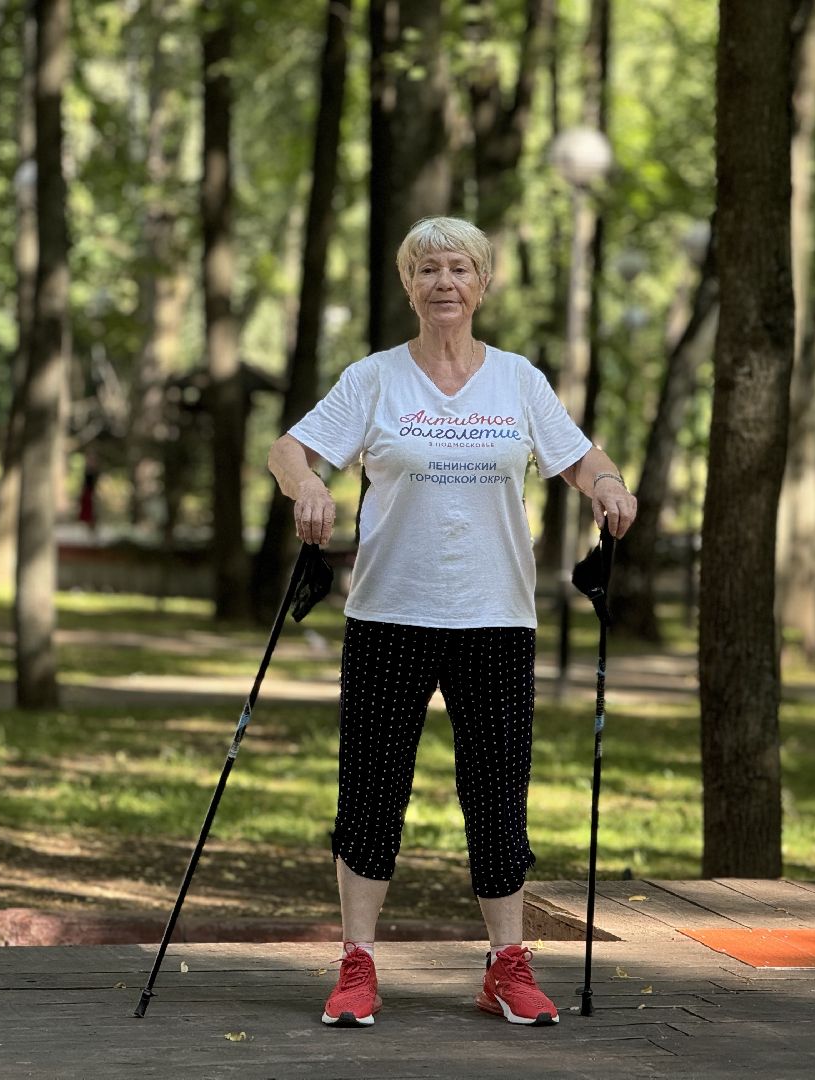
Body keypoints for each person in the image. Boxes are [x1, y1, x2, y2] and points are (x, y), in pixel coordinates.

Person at [267, 216, 637, 1028]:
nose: (444, 281)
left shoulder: (517, 380)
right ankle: (357, 964)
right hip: (389, 615)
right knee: (370, 794)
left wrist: (610, 485)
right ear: (409, 286)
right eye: (427, 268)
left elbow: (581, 458)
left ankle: (508, 966)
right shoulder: (374, 379)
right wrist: (308, 490)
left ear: (482, 285)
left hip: (496, 620)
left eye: (459, 268)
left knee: (498, 796)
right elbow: (289, 449)